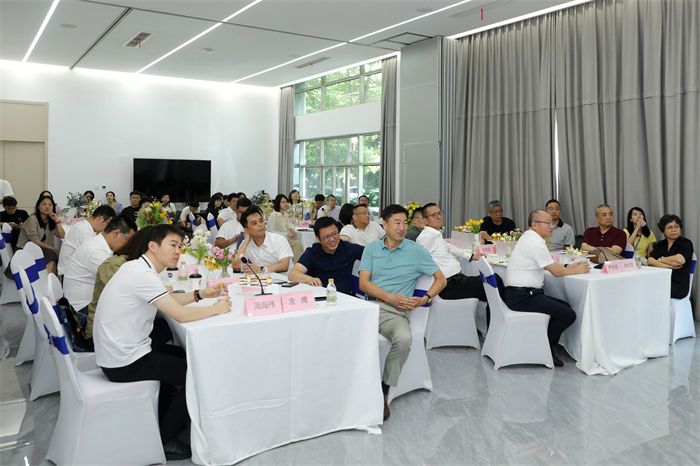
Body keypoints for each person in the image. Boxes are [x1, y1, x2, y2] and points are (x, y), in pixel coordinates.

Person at [94, 224, 230, 460]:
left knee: (185, 356)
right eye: (173, 245)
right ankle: (166, 438)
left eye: (180, 246)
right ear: (153, 246)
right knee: (196, 372)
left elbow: (168, 300)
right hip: (124, 361)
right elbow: (181, 315)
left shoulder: (138, 268)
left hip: (119, 351)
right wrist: (216, 309)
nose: (178, 251)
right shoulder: (142, 275)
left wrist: (201, 294)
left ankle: (170, 415)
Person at [359, 204, 446, 420]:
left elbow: (441, 279)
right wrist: (389, 296)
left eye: (405, 223)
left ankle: (383, 390)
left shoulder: (416, 251)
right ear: (384, 224)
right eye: (396, 223)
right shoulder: (372, 248)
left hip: (394, 313)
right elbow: (364, 284)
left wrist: (425, 298)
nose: (402, 227)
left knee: (404, 338)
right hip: (369, 307)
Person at [504, 209, 589, 367]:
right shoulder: (535, 243)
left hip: (519, 293)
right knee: (568, 314)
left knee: (565, 307)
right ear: (535, 224)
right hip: (522, 297)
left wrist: (568, 267)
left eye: (552, 223)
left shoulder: (529, 237)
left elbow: (548, 264)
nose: (551, 226)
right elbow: (556, 272)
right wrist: (577, 270)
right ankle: (546, 346)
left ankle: (544, 342)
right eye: (548, 223)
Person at [417, 203, 498, 303]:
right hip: (448, 284)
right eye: (434, 215)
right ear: (425, 220)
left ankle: (494, 311)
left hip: (456, 280)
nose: (438, 217)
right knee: (493, 281)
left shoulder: (435, 234)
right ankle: (499, 311)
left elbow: (449, 247)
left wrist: (472, 256)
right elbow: (420, 259)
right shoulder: (427, 237)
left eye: (439, 213)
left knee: (492, 283)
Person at [84, 227, 151, 340]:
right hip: (103, 335)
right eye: (172, 245)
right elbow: (135, 297)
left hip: (118, 327)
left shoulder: (133, 263)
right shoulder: (115, 264)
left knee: (162, 326)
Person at [63, 216, 136, 313]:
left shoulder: (99, 243)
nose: (128, 245)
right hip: (81, 309)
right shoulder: (97, 251)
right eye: (128, 240)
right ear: (116, 233)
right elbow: (119, 282)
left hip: (82, 302)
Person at [289, 217, 364, 293]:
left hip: (346, 296)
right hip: (321, 295)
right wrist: (309, 279)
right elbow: (293, 274)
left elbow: (369, 254)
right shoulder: (313, 253)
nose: (332, 239)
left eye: (334, 234)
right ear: (318, 239)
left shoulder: (349, 248)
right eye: (326, 237)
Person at [57, 204, 116, 275]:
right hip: (68, 273)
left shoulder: (85, 226)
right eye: (107, 224)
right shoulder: (84, 230)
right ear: (100, 219)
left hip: (72, 269)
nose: (106, 229)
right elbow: (93, 255)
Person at [648, 214, 694, 299]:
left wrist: (661, 259)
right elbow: (650, 261)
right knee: (643, 285)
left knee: (650, 289)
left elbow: (679, 260)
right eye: (670, 227)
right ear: (663, 231)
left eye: (676, 226)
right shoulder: (660, 244)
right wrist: (669, 266)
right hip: (660, 280)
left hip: (678, 285)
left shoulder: (686, 243)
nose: (674, 230)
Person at [17, 195, 65, 274]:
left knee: (53, 255)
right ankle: (47, 279)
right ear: (38, 207)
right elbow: (36, 241)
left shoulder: (50, 220)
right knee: (52, 255)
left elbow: (62, 235)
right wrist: (52, 248)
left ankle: (49, 279)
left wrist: (57, 221)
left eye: (50, 205)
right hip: (25, 250)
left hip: (39, 249)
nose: (47, 207)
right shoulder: (32, 219)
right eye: (44, 204)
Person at [237, 206, 293, 273]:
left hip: (285, 277)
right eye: (254, 223)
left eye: (261, 221)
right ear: (246, 230)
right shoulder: (246, 243)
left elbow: (284, 265)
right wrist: (246, 240)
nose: (260, 225)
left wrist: (261, 269)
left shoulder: (279, 239)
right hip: (263, 278)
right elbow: (237, 265)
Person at [267, 194, 304, 261]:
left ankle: (296, 262)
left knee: (299, 243)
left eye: (286, 202)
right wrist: (286, 234)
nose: (286, 204)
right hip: (276, 241)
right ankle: (296, 263)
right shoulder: (274, 215)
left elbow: (288, 224)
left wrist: (292, 229)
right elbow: (272, 232)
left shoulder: (285, 213)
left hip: (284, 239)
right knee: (297, 245)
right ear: (278, 203)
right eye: (283, 202)